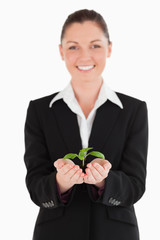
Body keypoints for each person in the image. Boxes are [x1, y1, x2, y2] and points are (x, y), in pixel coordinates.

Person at [24, 9, 148, 240]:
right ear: (61, 52)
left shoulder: (133, 110)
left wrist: (103, 180)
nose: (84, 56)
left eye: (95, 45)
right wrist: (61, 182)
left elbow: (136, 185)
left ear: (109, 48)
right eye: (73, 47)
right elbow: (35, 185)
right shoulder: (39, 110)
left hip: (116, 233)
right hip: (55, 233)